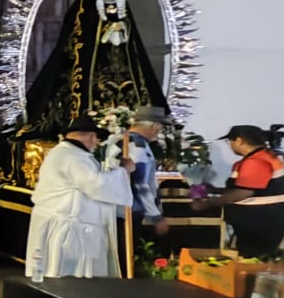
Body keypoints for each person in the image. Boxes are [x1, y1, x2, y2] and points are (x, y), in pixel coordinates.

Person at [25, 116, 135, 278]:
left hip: (68, 223)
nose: (96, 142)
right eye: (96, 138)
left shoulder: (68, 154)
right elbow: (96, 185)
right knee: (67, 276)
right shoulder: (72, 157)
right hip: (68, 227)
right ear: (91, 136)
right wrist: (123, 170)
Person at [193, 125, 284, 259]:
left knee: (253, 258)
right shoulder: (265, 157)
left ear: (239, 141)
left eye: (229, 141)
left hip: (261, 223)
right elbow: (252, 188)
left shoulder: (256, 162)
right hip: (266, 219)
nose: (230, 145)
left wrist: (207, 203)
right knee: (256, 256)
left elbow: (243, 193)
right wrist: (214, 189)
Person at [126, 106, 173, 241]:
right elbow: (139, 182)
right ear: (154, 126)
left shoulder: (121, 140)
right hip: (130, 210)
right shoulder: (137, 146)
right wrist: (156, 216)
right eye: (160, 127)